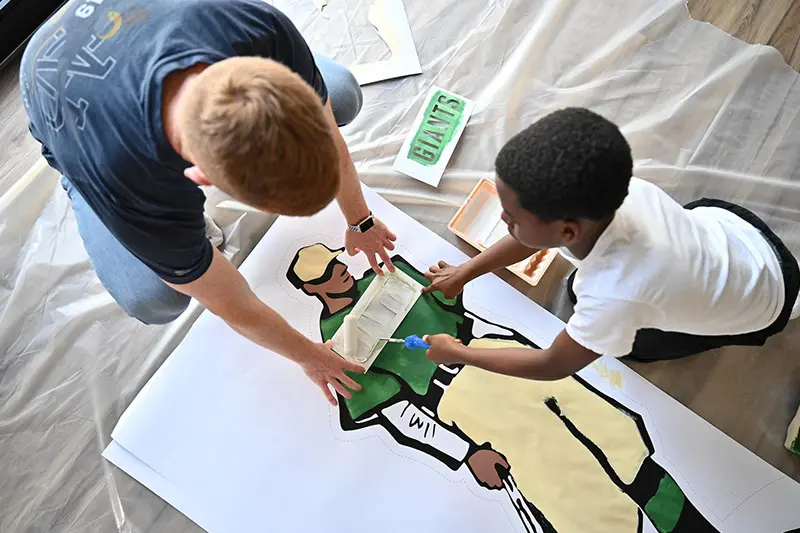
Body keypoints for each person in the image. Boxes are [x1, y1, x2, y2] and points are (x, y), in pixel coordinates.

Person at [19, 0, 399, 404]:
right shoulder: (129, 176)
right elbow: (232, 303)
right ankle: (78, 184)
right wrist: (310, 357)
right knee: (154, 296)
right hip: (55, 83)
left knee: (340, 96)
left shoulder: (260, 27)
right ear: (198, 179)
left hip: (127, 16)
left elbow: (325, 131)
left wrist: (361, 221)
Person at [287, 243, 720, 533]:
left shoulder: (390, 274)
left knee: (621, 443)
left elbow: (451, 306)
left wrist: (451, 285)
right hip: (462, 398)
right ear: (311, 288)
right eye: (327, 272)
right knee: (576, 497)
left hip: (497, 352)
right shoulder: (330, 348)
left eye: (337, 261)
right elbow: (400, 412)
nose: (341, 270)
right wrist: (467, 452)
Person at [422, 107, 800, 380]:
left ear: (568, 232)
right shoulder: (620, 191)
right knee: (586, 290)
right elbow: (530, 238)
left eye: (512, 217)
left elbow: (552, 364)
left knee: (634, 345)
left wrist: (460, 353)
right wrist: (467, 272)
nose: (503, 220)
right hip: (742, 238)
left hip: (761, 307)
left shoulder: (612, 297)